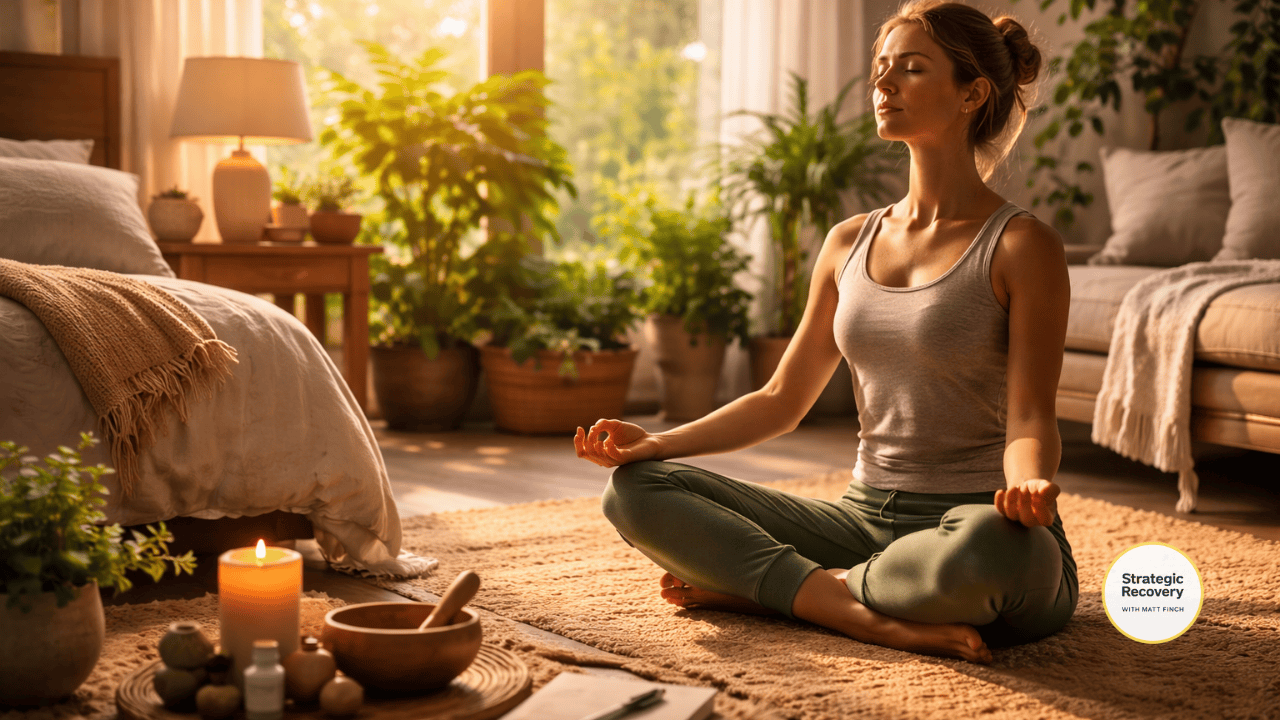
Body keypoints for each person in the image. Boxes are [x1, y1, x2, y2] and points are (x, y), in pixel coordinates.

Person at [573, 0, 1076, 665]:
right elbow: (781, 399)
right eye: (880, 70)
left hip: (978, 522)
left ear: (972, 92)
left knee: (989, 549)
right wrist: (658, 443)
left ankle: (781, 591)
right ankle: (855, 607)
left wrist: (1030, 484)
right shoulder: (847, 243)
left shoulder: (1021, 245)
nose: (883, 85)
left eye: (911, 70)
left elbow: (1031, 417)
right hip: (861, 524)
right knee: (636, 491)